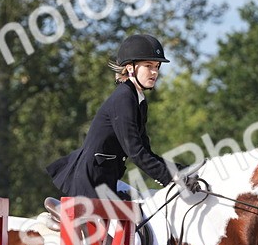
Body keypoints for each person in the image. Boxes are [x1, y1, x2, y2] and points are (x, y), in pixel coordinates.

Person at [45, 33, 198, 200]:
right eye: (148, 66)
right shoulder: (124, 98)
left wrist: (183, 170)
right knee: (139, 216)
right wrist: (172, 178)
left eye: (157, 66)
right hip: (91, 183)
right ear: (131, 68)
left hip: (108, 180)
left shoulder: (139, 100)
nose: (154, 72)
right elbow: (136, 153)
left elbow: (146, 152)